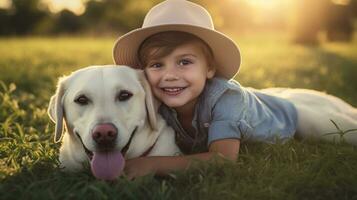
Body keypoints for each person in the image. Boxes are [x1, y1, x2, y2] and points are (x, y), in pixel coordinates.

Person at [112, 0, 357, 179]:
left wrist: (152, 165)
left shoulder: (226, 98)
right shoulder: (153, 99)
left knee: (344, 130)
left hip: (290, 115)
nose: (170, 75)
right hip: (261, 99)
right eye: (157, 64)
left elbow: (223, 160)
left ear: (209, 69)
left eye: (184, 62)